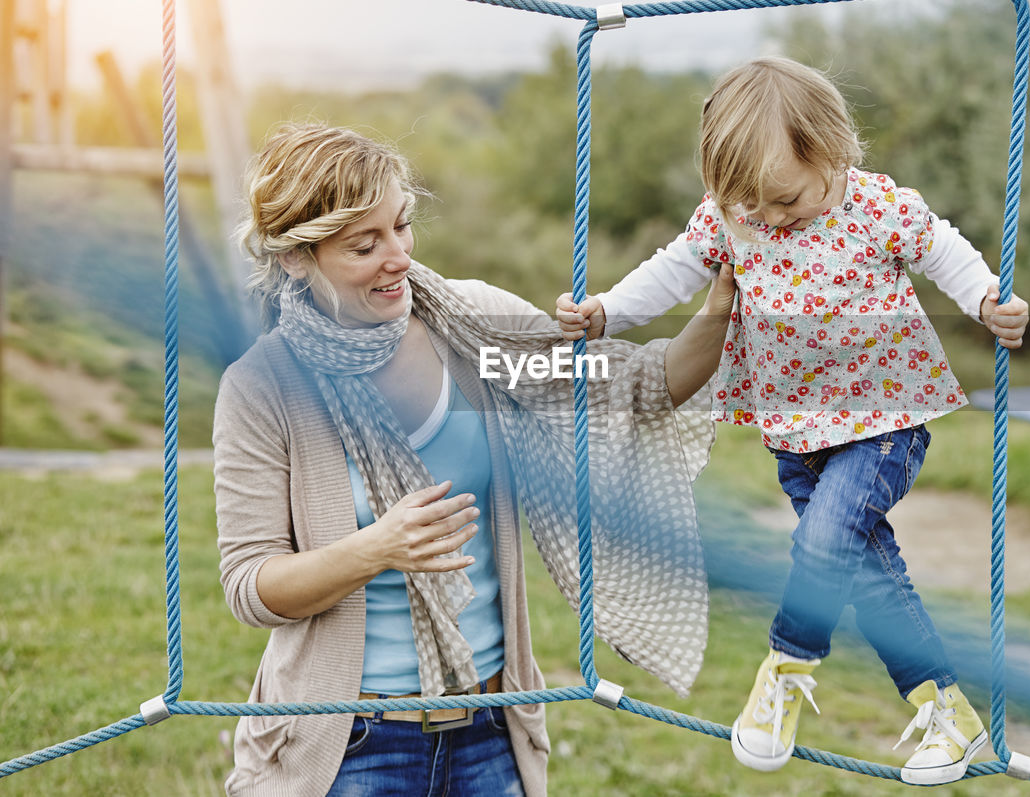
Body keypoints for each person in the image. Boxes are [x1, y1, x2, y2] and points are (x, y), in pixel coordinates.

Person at [213, 123, 736, 797]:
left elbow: (637, 386)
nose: (397, 255)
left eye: (402, 226)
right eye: (365, 244)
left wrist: (722, 307)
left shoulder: (473, 333)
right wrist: (376, 547)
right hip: (348, 744)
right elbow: (251, 586)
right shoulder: (264, 385)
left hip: (491, 733)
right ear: (295, 258)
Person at [556, 57, 1030, 785]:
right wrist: (606, 311)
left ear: (831, 148)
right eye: (752, 203)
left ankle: (784, 667)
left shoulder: (875, 205)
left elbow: (942, 247)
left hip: (884, 418)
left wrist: (988, 298)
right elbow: (673, 268)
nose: (770, 218)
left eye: (784, 197)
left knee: (820, 542)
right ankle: (948, 715)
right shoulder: (736, 215)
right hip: (795, 434)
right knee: (868, 574)